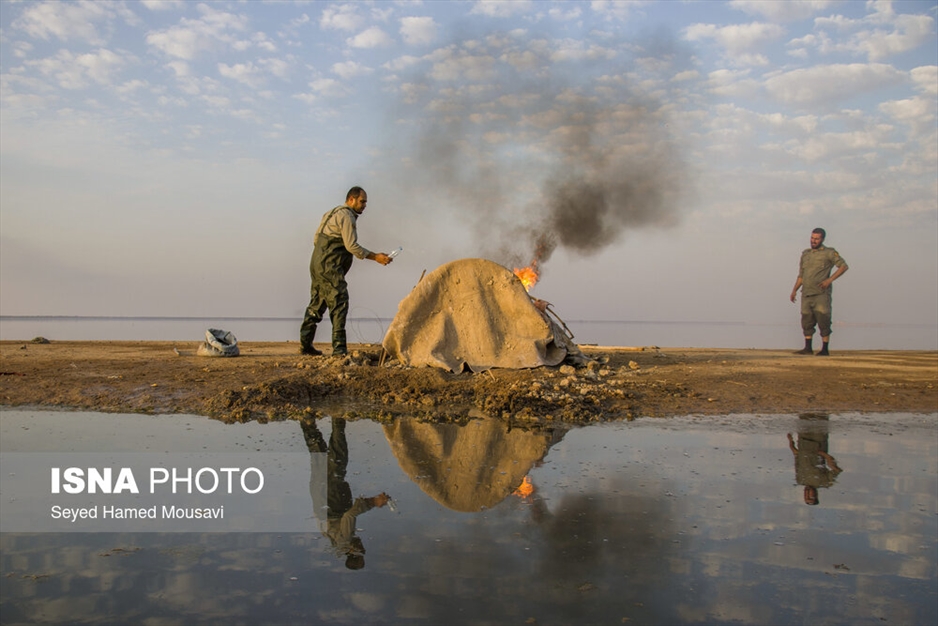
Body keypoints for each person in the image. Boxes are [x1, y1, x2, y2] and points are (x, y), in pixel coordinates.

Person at [300, 187, 392, 356]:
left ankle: (305, 345)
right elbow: (351, 246)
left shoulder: (330, 213)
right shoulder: (347, 216)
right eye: (362, 201)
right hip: (329, 267)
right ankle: (339, 349)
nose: (364, 205)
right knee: (340, 301)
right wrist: (375, 257)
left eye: (365, 202)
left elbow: (316, 240)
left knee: (317, 303)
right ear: (351, 199)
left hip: (316, 264)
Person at [789, 227, 848, 356]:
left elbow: (843, 266)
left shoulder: (829, 253)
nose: (813, 241)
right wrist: (794, 290)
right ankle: (807, 348)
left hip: (821, 293)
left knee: (823, 318)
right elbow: (801, 275)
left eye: (816, 239)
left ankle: (825, 349)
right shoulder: (806, 254)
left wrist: (829, 280)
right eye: (812, 238)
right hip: (806, 293)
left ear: (822, 239)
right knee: (806, 319)